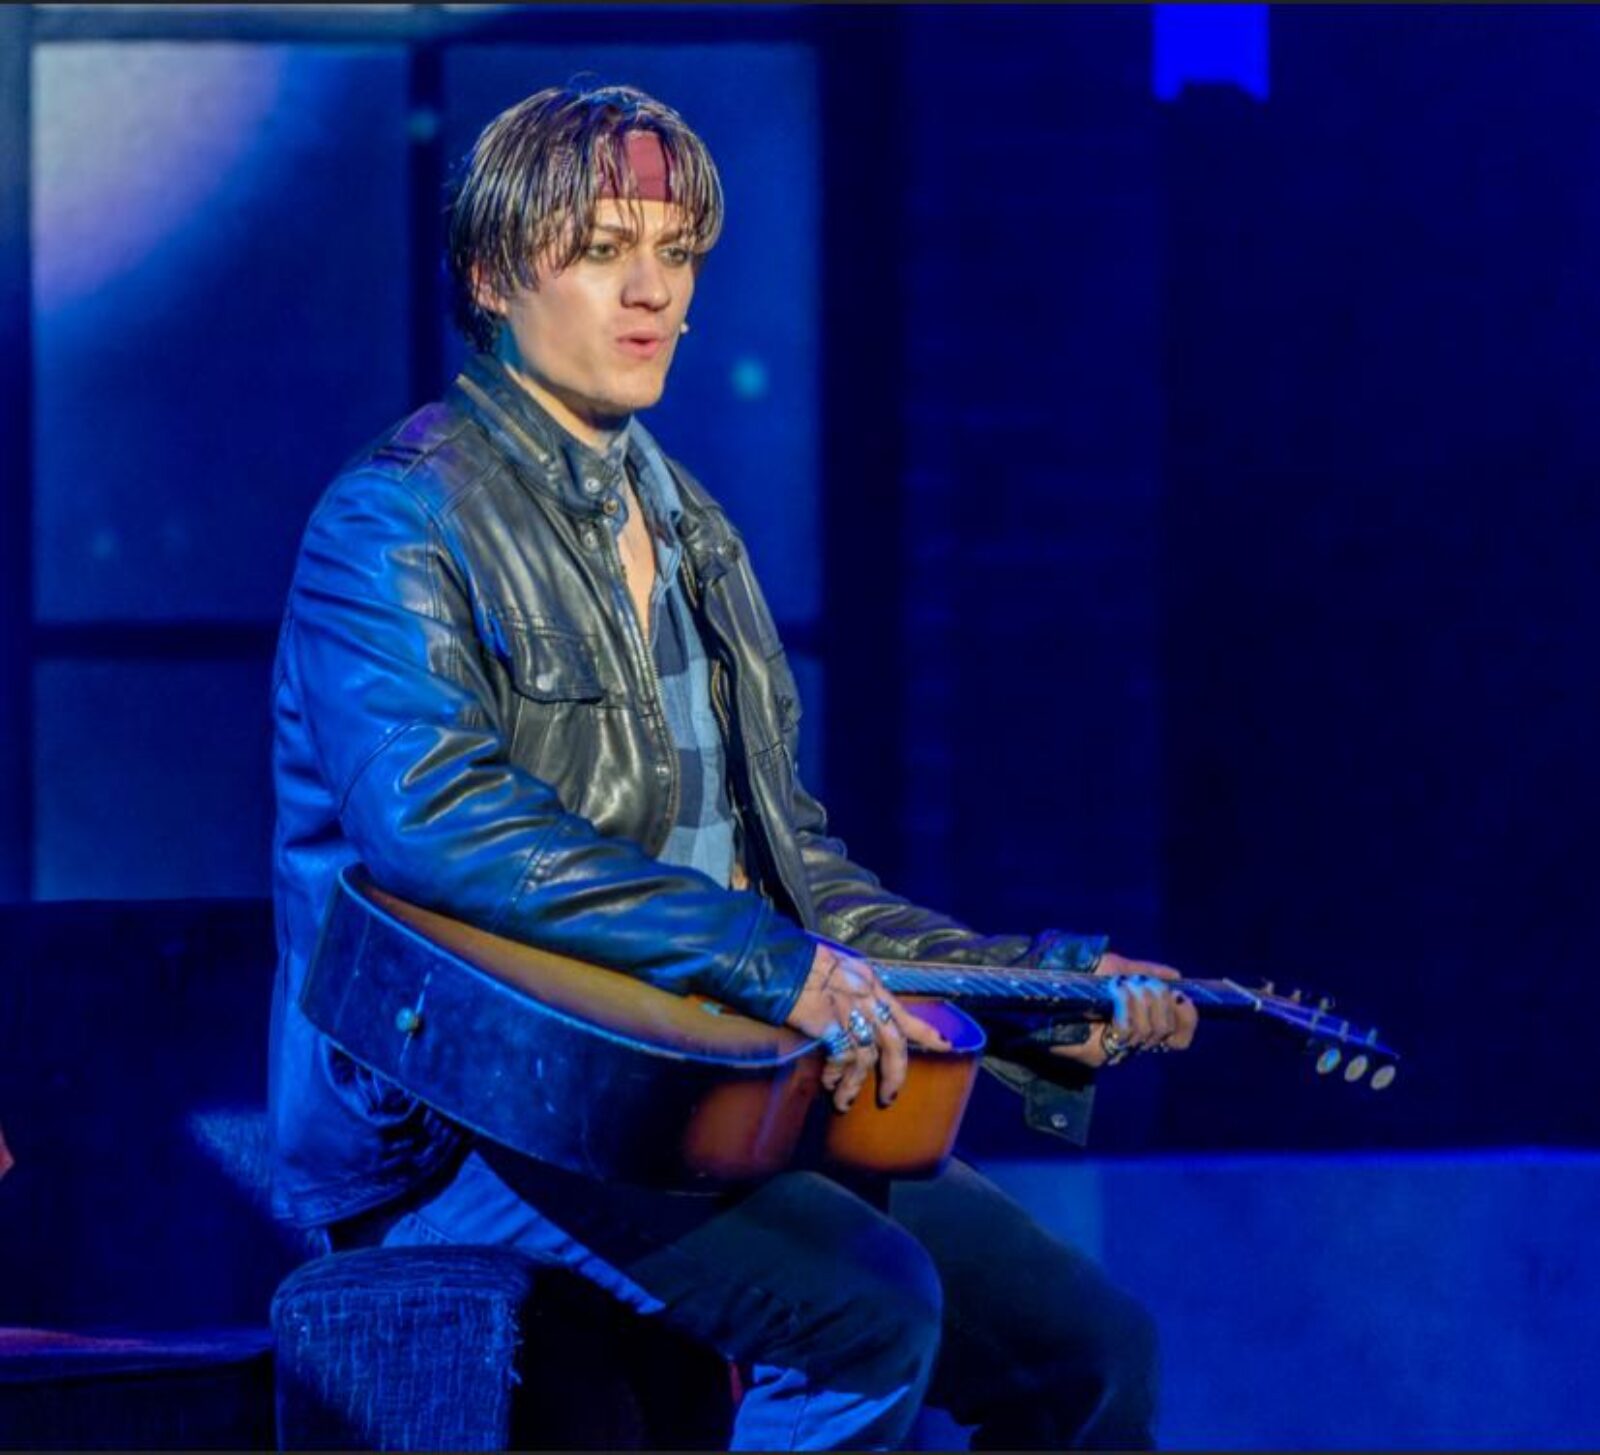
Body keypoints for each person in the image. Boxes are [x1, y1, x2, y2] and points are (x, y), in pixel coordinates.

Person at [269, 81, 1198, 1450]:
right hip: (479, 1111)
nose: (648, 292)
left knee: (1093, 1350)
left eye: (675, 252)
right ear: (490, 274)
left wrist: (1042, 994)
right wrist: (770, 967)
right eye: (600, 249)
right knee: (867, 1307)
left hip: (695, 1089)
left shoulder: (691, 529)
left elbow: (795, 874)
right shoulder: (394, 520)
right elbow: (434, 820)